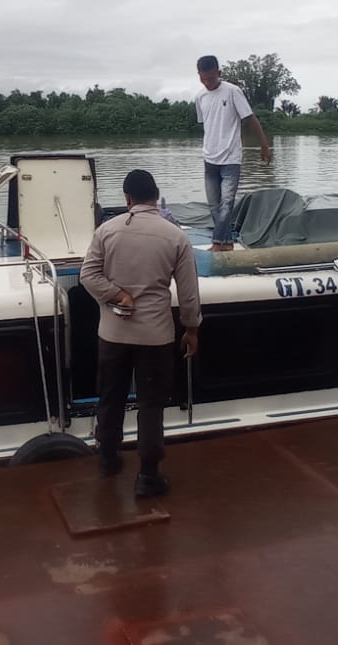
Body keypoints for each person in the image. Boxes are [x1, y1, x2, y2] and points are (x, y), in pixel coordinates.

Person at [80, 169, 202, 498]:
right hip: (156, 337)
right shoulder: (176, 236)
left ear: (127, 199)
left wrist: (117, 295)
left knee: (111, 397)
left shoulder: (106, 230)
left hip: (113, 333)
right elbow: (189, 294)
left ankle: (107, 459)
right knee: (150, 405)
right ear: (156, 196)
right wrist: (191, 330)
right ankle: (148, 476)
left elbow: (87, 275)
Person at [195, 55, 272, 251]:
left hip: (231, 158)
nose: (207, 83)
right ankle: (227, 242)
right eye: (203, 79)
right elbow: (207, 125)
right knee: (214, 205)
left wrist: (264, 146)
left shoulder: (232, 92)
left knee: (226, 203)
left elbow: (250, 119)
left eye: (211, 79)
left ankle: (217, 243)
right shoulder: (200, 97)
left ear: (219, 74)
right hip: (209, 159)